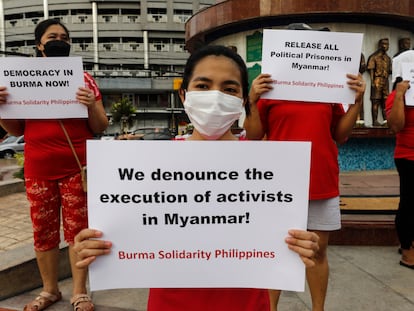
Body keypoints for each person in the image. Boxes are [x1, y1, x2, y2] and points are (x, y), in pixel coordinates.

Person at [73, 45, 320, 311]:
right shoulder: (148, 167)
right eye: (203, 86)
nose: (215, 96)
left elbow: (278, 234)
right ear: (183, 94)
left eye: (229, 89)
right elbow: (130, 228)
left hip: (246, 304)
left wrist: (301, 244)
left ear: (242, 100)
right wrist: (96, 243)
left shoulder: (270, 167)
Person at [243, 23, 366, 311]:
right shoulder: (270, 87)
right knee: (276, 252)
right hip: (278, 183)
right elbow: (252, 134)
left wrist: (357, 102)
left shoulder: (327, 88)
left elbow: (341, 134)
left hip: (320, 180)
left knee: (317, 252)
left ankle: (318, 309)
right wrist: (251, 99)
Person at [0, 19, 108, 311]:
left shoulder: (84, 79)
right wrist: (0, 107)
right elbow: (15, 130)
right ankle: (49, 290)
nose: (59, 40)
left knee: (78, 231)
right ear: (39, 44)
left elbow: (100, 126)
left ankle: (78, 291)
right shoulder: (19, 81)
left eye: (64, 36)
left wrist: (92, 105)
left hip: (78, 168)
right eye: (52, 36)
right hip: (38, 169)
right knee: (43, 232)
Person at [385, 51, 414, 270]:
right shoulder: (397, 95)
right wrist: (401, 95)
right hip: (408, 156)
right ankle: (407, 250)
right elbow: (395, 125)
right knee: (409, 203)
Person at [367, 38, 392, 126]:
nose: (386, 46)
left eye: (387, 44)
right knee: (376, 100)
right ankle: (375, 121)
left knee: (386, 101)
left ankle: (386, 120)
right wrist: (373, 82)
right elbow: (371, 70)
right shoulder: (374, 57)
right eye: (384, 44)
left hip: (385, 80)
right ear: (380, 45)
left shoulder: (388, 58)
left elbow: (390, 70)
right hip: (377, 80)